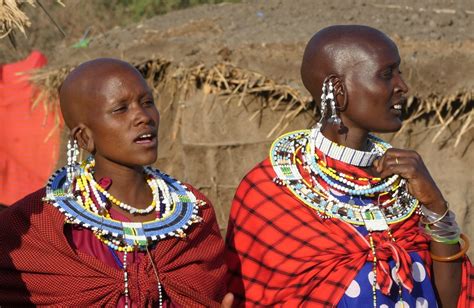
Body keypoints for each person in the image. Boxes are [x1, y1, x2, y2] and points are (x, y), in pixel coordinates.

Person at [225, 25, 473, 307]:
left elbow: (450, 300)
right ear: (338, 89)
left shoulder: (402, 184)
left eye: (399, 72)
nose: (403, 86)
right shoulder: (269, 192)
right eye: (387, 74)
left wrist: (435, 204)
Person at [0, 58, 233, 307]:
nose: (144, 117)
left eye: (147, 103)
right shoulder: (35, 226)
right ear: (84, 137)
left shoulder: (194, 212)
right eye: (120, 109)